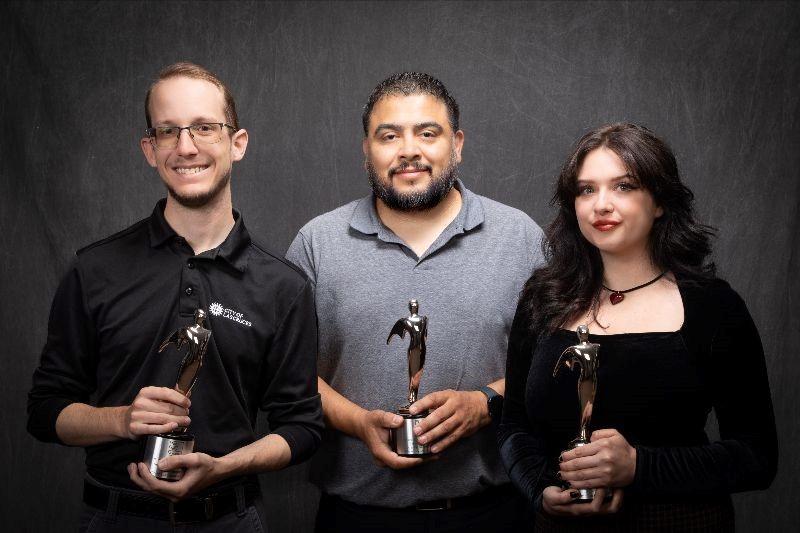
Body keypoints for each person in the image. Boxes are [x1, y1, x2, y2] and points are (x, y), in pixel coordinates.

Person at [27, 62, 323, 531]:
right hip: (114, 518)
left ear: (237, 143)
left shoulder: (283, 286)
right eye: (168, 131)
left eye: (205, 127)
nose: (186, 147)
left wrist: (224, 467)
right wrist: (122, 420)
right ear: (150, 149)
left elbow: (303, 429)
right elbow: (45, 412)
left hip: (231, 518)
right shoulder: (94, 269)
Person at [286, 72, 545, 532]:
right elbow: (290, 373)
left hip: (494, 514)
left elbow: (553, 363)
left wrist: (487, 403)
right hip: (356, 517)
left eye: (428, 133)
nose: (409, 150)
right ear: (366, 149)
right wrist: (358, 422)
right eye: (389, 135)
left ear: (457, 144)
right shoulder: (317, 243)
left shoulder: (520, 238)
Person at [498, 123, 778, 532]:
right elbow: (514, 425)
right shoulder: (542, 298)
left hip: (678, 523)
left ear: (660, 201)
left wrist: (638, 466)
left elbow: (757, 457)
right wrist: (540, 490)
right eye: (586, 189)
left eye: (624, 186)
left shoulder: (712, 306)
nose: (601, 205)